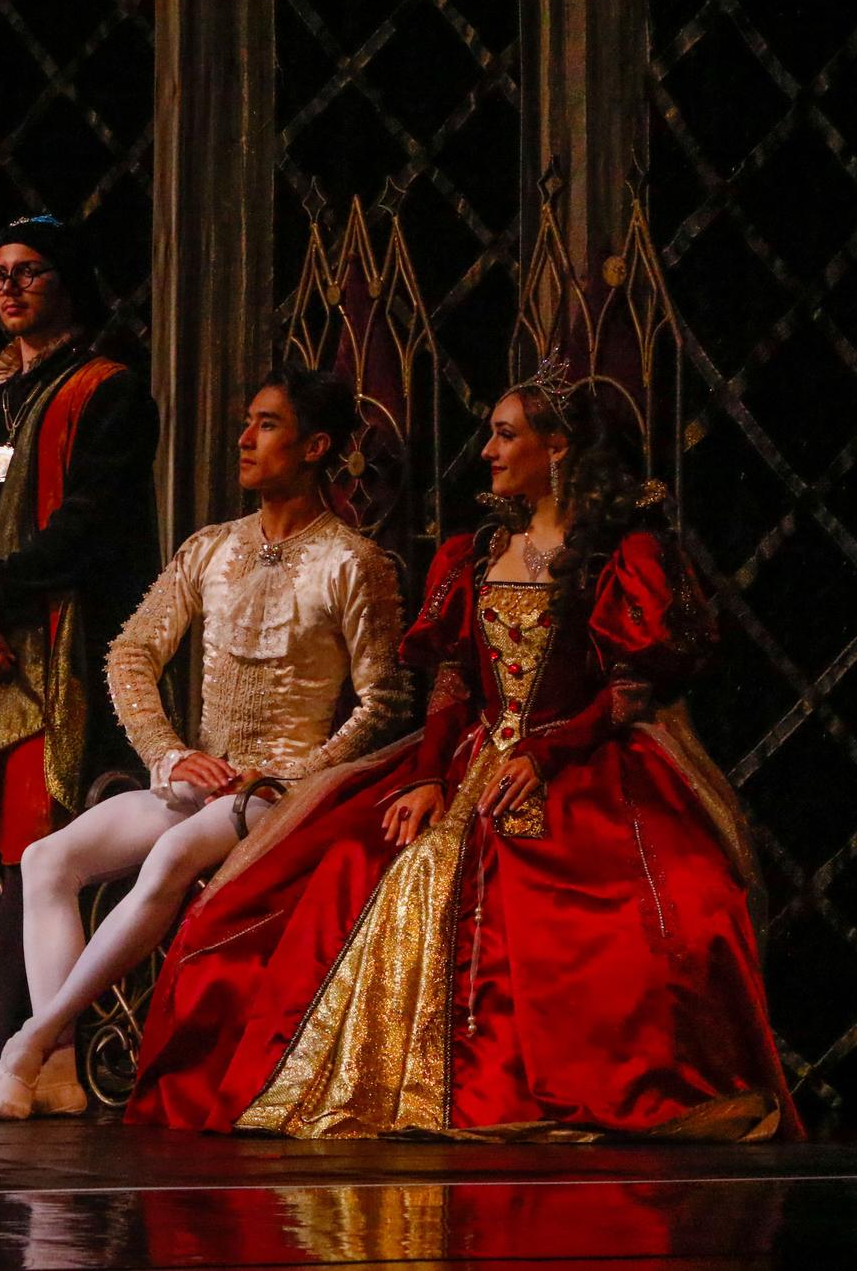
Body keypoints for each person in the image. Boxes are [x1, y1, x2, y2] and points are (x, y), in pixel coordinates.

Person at [125, 361, 798, 1140]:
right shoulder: (474, 555)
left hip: (582, 760)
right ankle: (359, 1079)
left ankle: (540, 1080)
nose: (487, 451)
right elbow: (450, 686)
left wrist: (545, 754)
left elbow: (629, 690)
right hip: (470, 758)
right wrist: (427, 776)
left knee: (661, 900)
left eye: (506, 435)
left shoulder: (625, 556)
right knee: (353, 866)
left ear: (561, 451)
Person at [0, 369, 410, 1119]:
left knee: (168, 856)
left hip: (284, 793)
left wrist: (292, 774)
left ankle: (27, 1044)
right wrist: (168, 753)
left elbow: (385, 699)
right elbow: (130, 653)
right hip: (205, 780)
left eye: (266, 424)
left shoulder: (351, 562)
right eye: (247, 421)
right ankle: (61, 1072)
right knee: (46, 858)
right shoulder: (212, 549)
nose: (244, 438)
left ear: (315, 446)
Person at [0, 214, 160, 1058]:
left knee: (46, 840)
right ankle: (19, 1040)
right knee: (10, 845)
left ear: (68, 283)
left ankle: (46, 1042)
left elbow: (88, 527)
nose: (10, 287)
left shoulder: (108, 390)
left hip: (68, 647)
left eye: (30, 272)